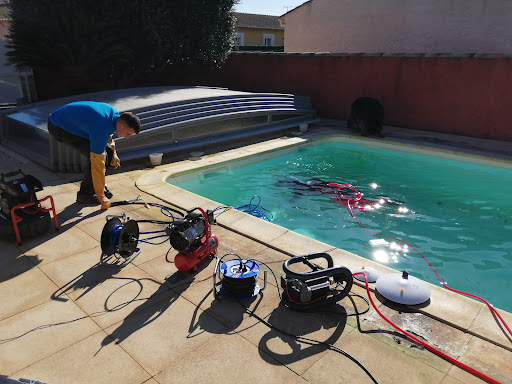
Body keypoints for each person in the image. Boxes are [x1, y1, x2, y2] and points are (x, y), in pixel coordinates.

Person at [48, 101, 141, 210]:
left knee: (109, 153)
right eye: (128, 134)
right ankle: (85, 195)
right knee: (95, 158)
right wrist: (101, 196)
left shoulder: (114, 116)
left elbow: (108, 136)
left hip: (68, 120)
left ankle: (94, 187)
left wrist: (113, 154)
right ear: (121, 125)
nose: (127, 137)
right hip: (59, 127)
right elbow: (97, 163)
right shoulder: (101, 126)